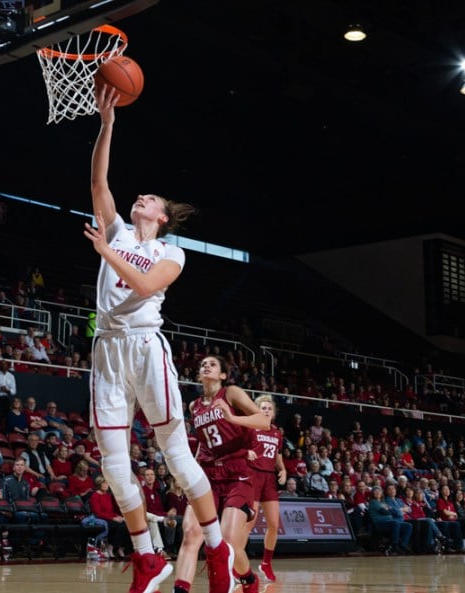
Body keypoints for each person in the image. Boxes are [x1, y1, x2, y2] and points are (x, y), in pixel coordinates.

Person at [83, 83, 235, 593]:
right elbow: (98, 180)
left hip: (147, 347)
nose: (139, 197)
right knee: (112, 463)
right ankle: (147, 557)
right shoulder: (119, 230)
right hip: (106, 348)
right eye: (140, 196)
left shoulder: (173, 252)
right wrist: (107, 126)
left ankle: (218, 550)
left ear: (162, 216)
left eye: (149, 198)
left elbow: (147, 286)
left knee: (175, 455)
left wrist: (105, 252)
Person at [170, 355, 269, 593]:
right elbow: (203, 444)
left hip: (237, 472)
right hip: (207, 473)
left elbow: (264, 421)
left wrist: (231, 417)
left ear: (223, 375)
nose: (206, 366)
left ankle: (247, 579)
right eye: (203, 364)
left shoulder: (231, 393)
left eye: (212, 364)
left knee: (229, 540)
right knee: (191, 534)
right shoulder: (194, 406)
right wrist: (187, 474)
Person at [243, 394, 286, 582]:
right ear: (257, 410)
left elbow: (277, 455)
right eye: (263, 407)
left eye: (269, 408)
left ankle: (266, 563)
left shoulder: (277, 433)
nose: (266, 410)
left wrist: (283, 469)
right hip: (252, 475)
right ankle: (238, 564)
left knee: (274, 525)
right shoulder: (250, 429)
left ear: (273, 413)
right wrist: (247, 452)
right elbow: (236, 447)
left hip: (269, 479)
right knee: (248, 524)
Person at [367, 485, 412, 555]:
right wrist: (392, 510)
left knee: (408, 526)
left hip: (388, 522)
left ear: (382, 493)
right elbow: (386, 512)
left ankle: (403, 545)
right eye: (375, 491)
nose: (377, 492)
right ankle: (394, 545)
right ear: (372, 493)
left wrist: (392, 510)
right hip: (379, 524)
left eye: (379, 491)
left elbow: (392, 510)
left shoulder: (383, 502)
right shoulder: (373, 502)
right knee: (395, 523)